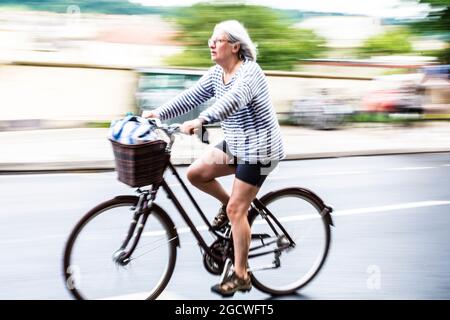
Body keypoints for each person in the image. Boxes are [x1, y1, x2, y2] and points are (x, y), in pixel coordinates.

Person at [143, 20, 285, 297]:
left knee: (236, 210)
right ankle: (232, 208)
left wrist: (203, 119)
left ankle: (242, 274)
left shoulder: (250, 73)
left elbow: (235, 99)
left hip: (260, 149)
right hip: (236, 143)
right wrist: (158, 114)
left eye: (217, 40)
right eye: (211, 38)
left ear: (235, 46)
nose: (211, 43)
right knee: (196, 174)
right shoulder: (215, 74)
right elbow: (191, 97)